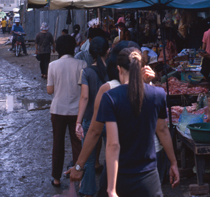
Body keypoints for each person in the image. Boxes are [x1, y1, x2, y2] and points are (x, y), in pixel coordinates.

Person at [66, 41, 156, 183]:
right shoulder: (153, 91)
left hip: (121, 164)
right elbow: (160, 128)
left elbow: (95, 132)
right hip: (147, 166)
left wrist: (79, 166)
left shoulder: (109, 89)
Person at [96, 47, 179, 197]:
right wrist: (173, 163)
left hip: (119, 176)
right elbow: (163, 130)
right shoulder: (158, 94)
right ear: (141, 68)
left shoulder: (110, 98)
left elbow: (113, 144)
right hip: (148, 178)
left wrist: (111, 189)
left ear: (119, 69)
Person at [47, 35, 87, 188]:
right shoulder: (82, 64)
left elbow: (50, 90)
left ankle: (56, 178)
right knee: (77, 143)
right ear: (74, 47)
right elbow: (85, 89)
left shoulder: (53, 65)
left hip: (58, 110)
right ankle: (79, 176)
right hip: (77, 111)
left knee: (58, 144)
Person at [76, 37, 109, 197]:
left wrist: (78, 121)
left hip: (90, 120)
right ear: (107, 51)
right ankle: (110, 190)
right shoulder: (114, 71)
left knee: (88, 160)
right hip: (110, 121)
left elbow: (84, 98)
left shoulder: (87, 72)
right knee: (111, 157)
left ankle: (88, 192)